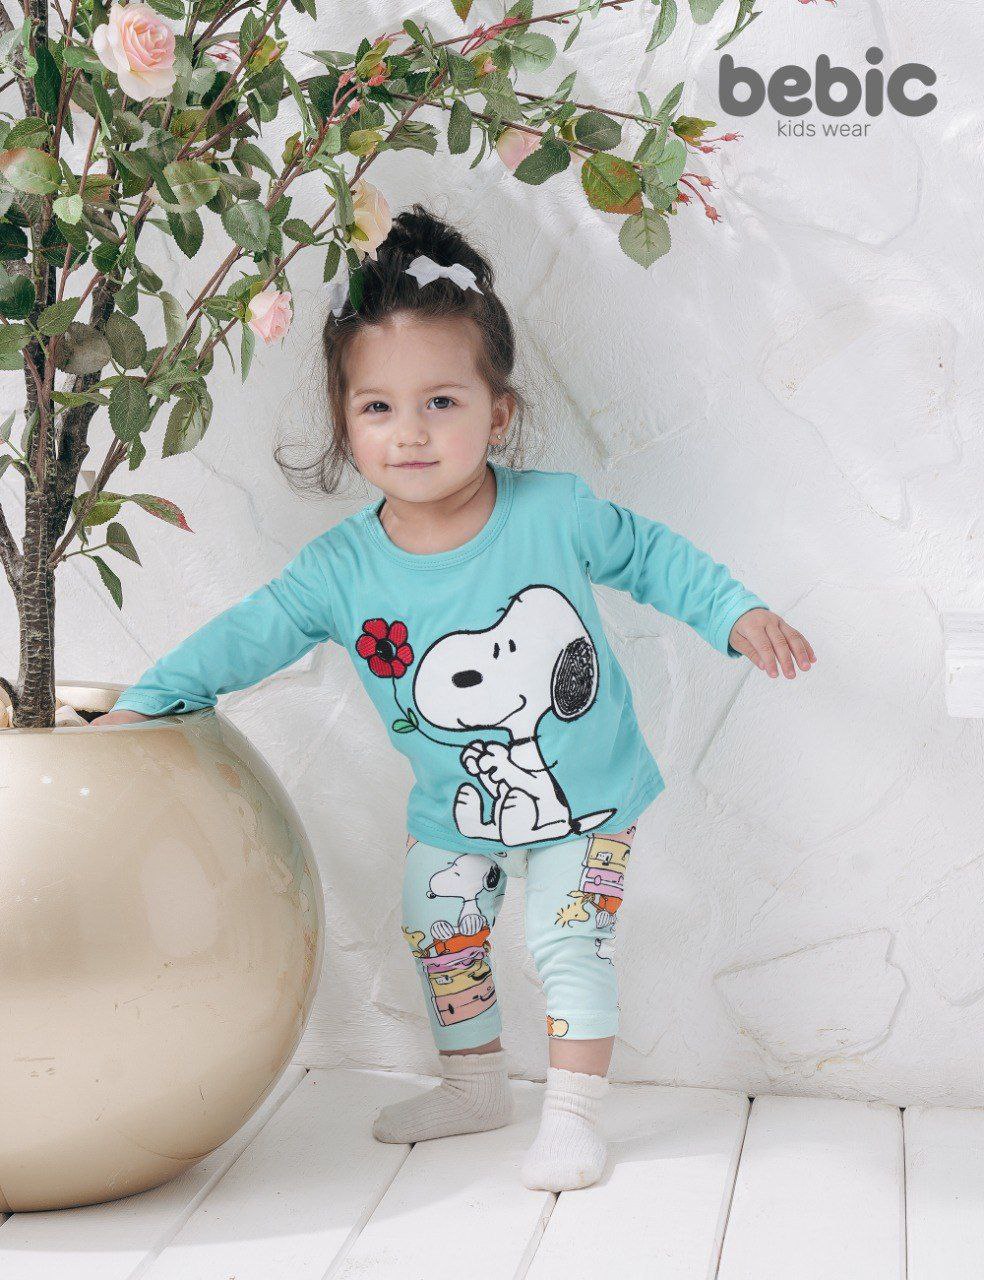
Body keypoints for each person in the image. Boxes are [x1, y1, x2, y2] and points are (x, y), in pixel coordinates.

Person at [92, 203, 817, 1192]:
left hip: (589, 800)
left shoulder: (553, 512)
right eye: (377, 408)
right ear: (345, 421)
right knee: (438, 926)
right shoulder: (341, 568)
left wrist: (734, 611)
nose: (410, 432)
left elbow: (653, 557)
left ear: (497, 414)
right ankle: (475, 1086)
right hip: (455, 807)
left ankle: (573, 1115)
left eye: (441, 401)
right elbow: (245, 635)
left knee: (566, 936)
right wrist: (147, 700)